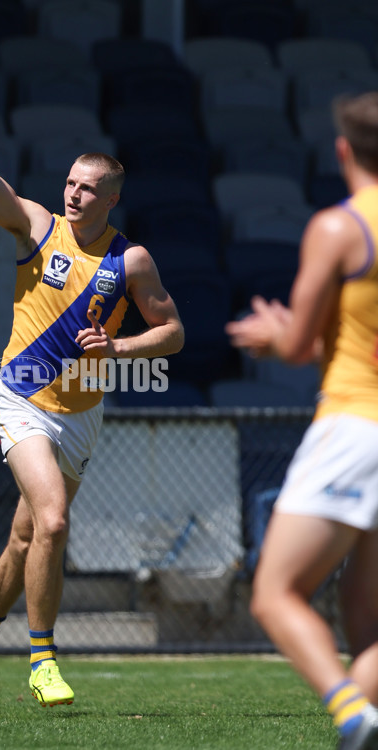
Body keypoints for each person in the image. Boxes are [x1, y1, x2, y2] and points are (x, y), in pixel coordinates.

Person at [0, 41, 184, 709]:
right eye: (70, 183)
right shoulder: (36, 227)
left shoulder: (131, 262)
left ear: (111, 197)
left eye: (87, 188)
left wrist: (120, 351)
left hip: (81, 416)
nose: (72, 194)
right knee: (53, 523)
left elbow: (173, 333)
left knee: (26, 539)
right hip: (19, 397)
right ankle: (43, 659)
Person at [225, 91, 378, 750]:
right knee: (364, 615)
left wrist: (276, 332)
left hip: (355, 425)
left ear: (342, 150)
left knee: (275, 593)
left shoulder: (340, 228)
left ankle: (352, 713)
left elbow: (297, 348)